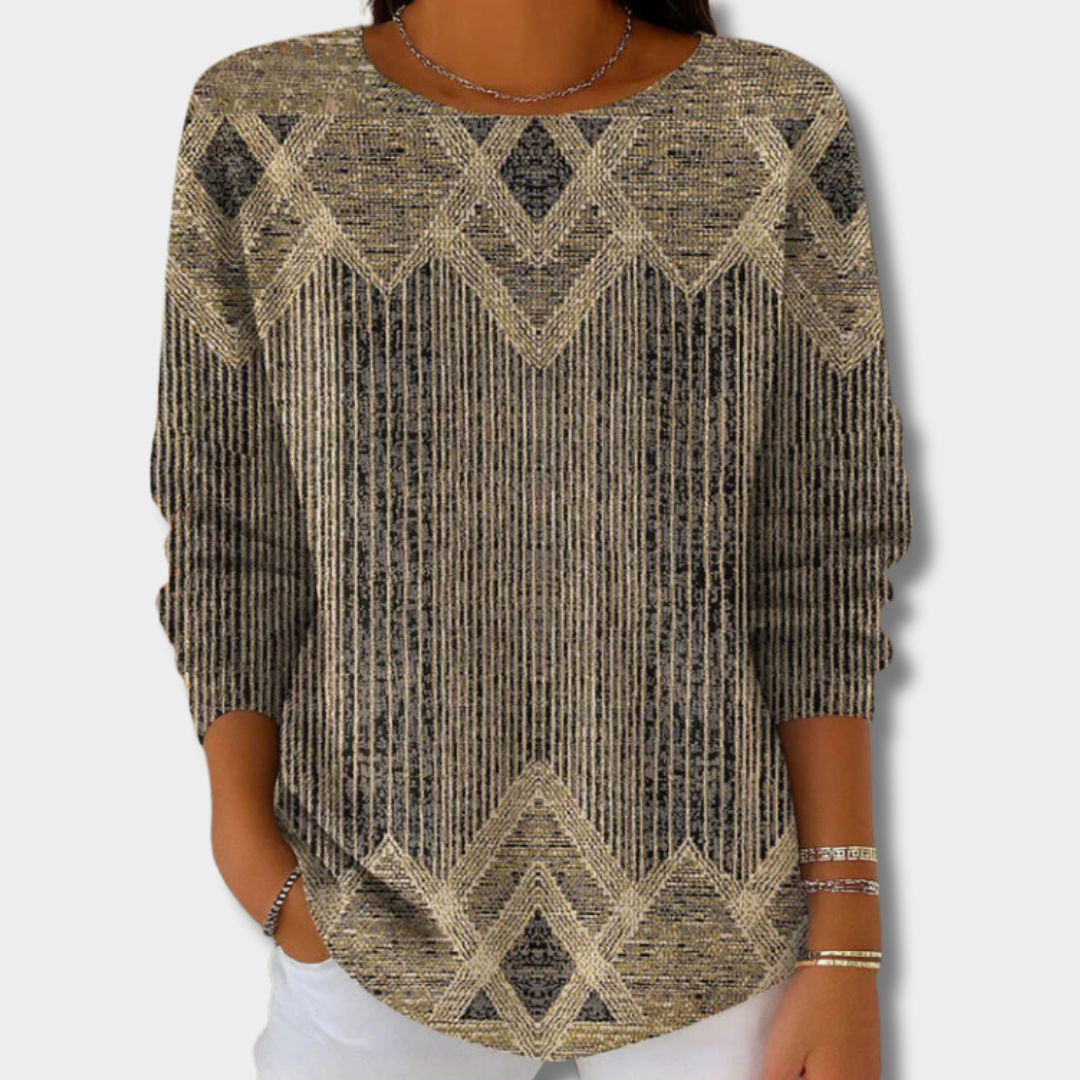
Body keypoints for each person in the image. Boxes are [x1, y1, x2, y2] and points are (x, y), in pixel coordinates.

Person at [149, 1, 912, 1077]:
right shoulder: (264, 122)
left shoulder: (769, 120)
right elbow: (228, 519)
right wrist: (255, 858)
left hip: (718, 930)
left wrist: (847, 931)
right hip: (368, 913)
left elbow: (820, 549)